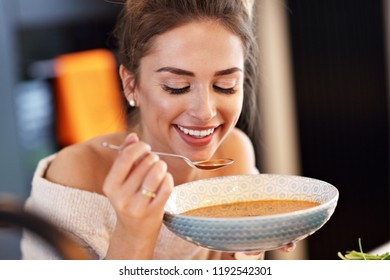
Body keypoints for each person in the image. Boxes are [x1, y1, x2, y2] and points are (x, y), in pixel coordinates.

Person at [21, 0, 294, 260]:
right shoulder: (75, 177)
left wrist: (250, 251)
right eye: (176, 86)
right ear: (131, 85)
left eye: (225, 85)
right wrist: (133, 233)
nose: (205, 112)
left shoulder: (234, 153)